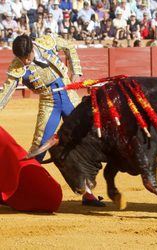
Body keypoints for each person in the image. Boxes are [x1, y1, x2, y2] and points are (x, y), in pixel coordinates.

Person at [0, 34, 105, 207]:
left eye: (27, 57)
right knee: (39, 148)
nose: (25, 61)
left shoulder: (46, 43)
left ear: (32, 49)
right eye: (21, 58)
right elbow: (5, 94)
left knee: (84, 143)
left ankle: (88, 193)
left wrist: (76, 71)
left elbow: (70, 46)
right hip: (49, 103)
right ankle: (19, 190)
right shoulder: (17, 66)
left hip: (70, 97)